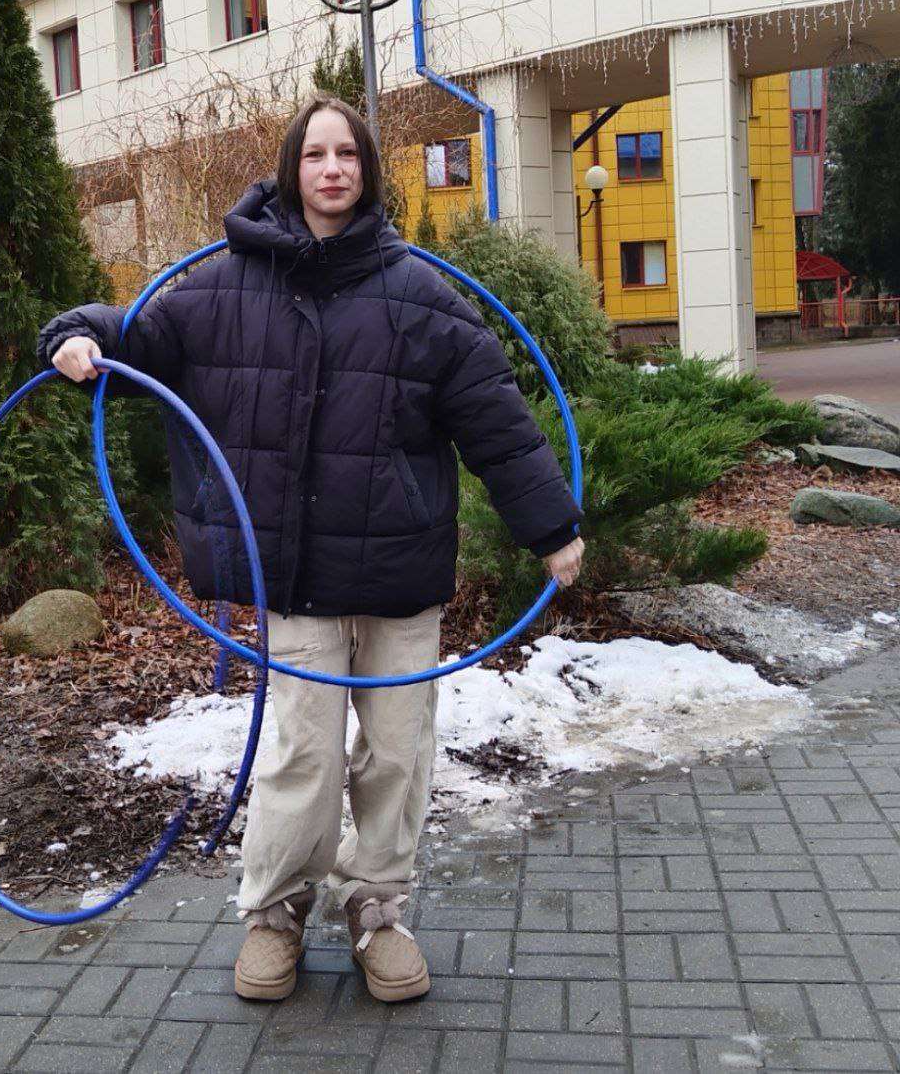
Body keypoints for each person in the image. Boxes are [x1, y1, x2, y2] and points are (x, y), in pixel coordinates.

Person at [37, 94, 584, 1004]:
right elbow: (134, 341)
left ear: (368, 172)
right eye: (316, 154)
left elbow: (497, 422)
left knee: (398, 753)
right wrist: (76, 336)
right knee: (305, 754)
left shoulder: (420, 295)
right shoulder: (221, 289)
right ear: (292, 169)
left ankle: (377, 909)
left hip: (401, 573)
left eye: (349, 155)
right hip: (296, 577)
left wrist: (552, 528)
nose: (333, 169)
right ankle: (275, 913)